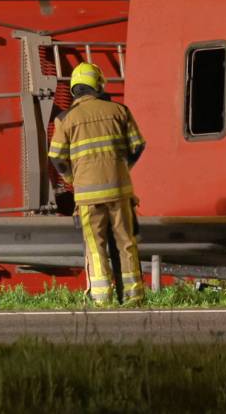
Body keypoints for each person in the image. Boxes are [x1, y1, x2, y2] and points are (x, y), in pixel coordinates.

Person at [48, 63, 147, 305]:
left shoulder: (65, 119)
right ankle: (133, 296)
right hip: (119, 191)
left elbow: (56, 157)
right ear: (99, 84)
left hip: (87, 197)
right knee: (126, 242)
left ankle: (102, 299)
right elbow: (138, 145)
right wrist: (122, 169)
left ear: (74, 89)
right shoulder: (119, 111)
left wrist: (73, 179)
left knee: (96, 245)